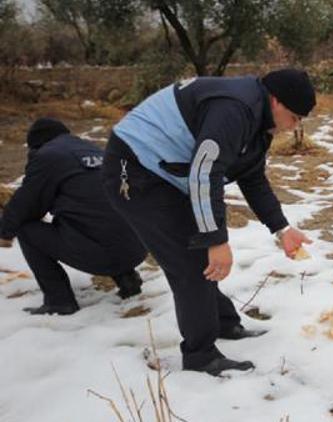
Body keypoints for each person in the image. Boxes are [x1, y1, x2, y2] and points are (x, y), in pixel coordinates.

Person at [102, 69, 315, 376]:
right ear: (276, 101)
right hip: (132, 167)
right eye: (295, 117)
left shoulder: (257, 120)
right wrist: (216, 239)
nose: (295, 126)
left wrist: (281, 228)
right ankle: (200, 357)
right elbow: (205, 172)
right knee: (190, 262)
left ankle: (225, 325)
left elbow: (252, 177)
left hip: (164, 175)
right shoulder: (234, 110)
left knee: (198, 252)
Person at [0, 118, 147, 315]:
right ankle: (127, 279)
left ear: (36, 144)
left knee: (26, 229)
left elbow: (25, 205)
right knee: (99, 214)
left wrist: (5, 232)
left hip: (103, 254)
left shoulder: (47, 156)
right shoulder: (95, 150)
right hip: (137, 248)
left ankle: (59, 302)